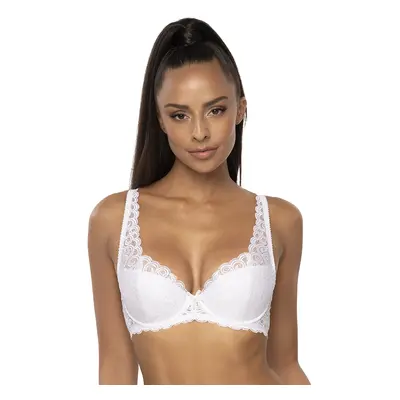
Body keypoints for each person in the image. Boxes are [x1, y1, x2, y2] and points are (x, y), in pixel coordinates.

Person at [87, 17, 310, 385]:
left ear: (240, 109)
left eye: (215, 110)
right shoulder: (113, 220)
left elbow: (285, 364)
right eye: (179, 115)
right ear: (160, 120)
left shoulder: (280, 221)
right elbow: (115, 366)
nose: (200, 132)